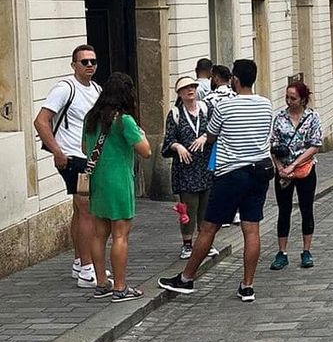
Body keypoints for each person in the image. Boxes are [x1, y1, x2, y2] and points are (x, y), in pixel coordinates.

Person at [158, 58, 274, 303]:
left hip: (232, 173)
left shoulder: (226, 107)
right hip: (261, 171)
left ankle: (187, 278)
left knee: (209, 227)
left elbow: (210, 136)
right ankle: (247, 286)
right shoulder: (266, 104)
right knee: (251, 229)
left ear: (236, 80)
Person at [34, 45, 103, 288]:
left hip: (89, 158)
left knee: (80, 208)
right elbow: (41, 121)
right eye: (83, 62)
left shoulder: (96, 89)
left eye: (93, 61)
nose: (89, 66)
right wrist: (57, 151)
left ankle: (78, 262)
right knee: (87, 210)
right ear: (73, 65)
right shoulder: (65, 88)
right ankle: (86, 269)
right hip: (73, 158)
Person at [82, 72, 151, 299]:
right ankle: (120, 287)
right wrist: (141, 133)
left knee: (98, 235)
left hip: (98, 181)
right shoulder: (124, 120)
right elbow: (146, 151)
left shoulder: (91, 118)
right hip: (119, 182)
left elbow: (85, 149)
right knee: (120, 235)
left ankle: (102, 283)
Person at [161, 75, 216, 261]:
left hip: (206, 166)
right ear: (179, 94)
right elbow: (168, 141)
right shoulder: (175, 114)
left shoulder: (206, 109)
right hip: (186, 168)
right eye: (185, 89)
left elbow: (218, 130)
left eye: (192, 87)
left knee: (207, 207)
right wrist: (178, 146)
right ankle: (187, 244)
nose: (190, 90)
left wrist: (205, 137)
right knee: (188, 208)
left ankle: (205, 243)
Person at [270, 81, 323, 271]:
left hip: (305, 170)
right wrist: (280, 169)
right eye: (287, 97)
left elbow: (315, 145)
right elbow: (273, 146)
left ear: (302, 99)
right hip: (283, 172)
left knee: (306, 208)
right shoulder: (280, 118)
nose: (289, 101)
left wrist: (294, 165)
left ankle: (306, 251)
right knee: (283, 211)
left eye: (293, 98)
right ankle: (282, 253)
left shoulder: (312, 117)